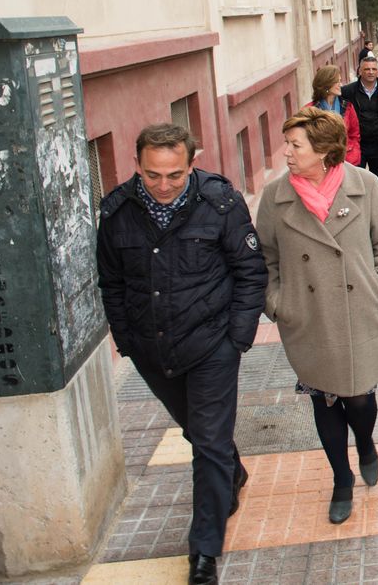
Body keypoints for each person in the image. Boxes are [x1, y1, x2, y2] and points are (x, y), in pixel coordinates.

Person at [96, 124, 266, 585]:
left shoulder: (220, 205)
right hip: (153, 350)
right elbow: (111, 283)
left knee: (207, 442)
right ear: (137, 165)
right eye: (152, 175)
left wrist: (237, 338)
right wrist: (127, 339)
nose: (164, 185)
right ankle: (231, 472)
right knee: (198, 431)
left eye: (174, 174)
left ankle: (204, 552)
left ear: (192, 164)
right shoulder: (116, 213)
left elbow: (251, 272)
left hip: (213, 346)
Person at [257, 108, 378, 525]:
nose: (285, 152)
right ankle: (342, 479)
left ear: (323, 151)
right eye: (287, 143)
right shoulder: (276, 196)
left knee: (359, 398)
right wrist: (278, 303)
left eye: (294, 144)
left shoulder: (365, 186)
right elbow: (264, 259)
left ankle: (367, 443)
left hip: (359, 311)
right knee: (323, 399)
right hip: (308, 318)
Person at [341, 55, 378, 186]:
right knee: (354, 182)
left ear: (377, 71)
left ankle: (376, 207)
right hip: (357, 145)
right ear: (360, 71)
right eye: (367, 69)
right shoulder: (347, 91)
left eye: (373, 69)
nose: (370, 72)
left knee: (377, 183)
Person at [309, 64, 361, 166]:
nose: (340, 85)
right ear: (326, 85)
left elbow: (355, 134)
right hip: (321, 163)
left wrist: (354, 153)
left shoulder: (348, 107)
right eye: (336, 82)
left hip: (347, 161)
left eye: (340, 81)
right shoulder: (310, 110)